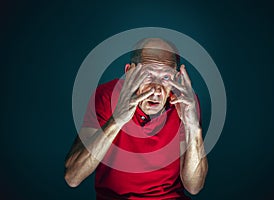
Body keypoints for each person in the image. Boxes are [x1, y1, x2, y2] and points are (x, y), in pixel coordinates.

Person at [64, 38, 208, 199]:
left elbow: (194, 187)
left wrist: (193, 127)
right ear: (129, 73)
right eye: (147, 75)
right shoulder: (106, 96)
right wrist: (117, 119)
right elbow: (73, 177)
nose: (156, 90)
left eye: (166, 78)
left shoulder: (185, 102)